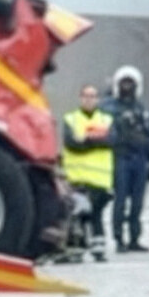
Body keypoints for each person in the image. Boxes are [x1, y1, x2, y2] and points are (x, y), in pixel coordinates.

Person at [101, 65, 149, 253]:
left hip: (139, 159)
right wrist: (122, 135)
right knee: (121, 199)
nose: (127, 87)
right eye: (124, 83)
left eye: (130, 83)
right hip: (121, 157)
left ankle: (134, 238)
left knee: (138, 202)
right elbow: (107, 134)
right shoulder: (108, 107)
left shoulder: (140, 108)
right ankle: (119, 239)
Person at [62, 84, 116, 262]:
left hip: (100, 179)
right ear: (80, 98)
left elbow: (112, 140)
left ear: (98, 99)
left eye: (92, 96)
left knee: (96, 215)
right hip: (77, 178)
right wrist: (96, 138)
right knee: (77, 215)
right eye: (85, 96)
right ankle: (75, 250)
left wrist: (85, 138)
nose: (89, 99)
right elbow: (71, 143)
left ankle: (98, 249)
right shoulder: (71, 119)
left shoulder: (107, 119)